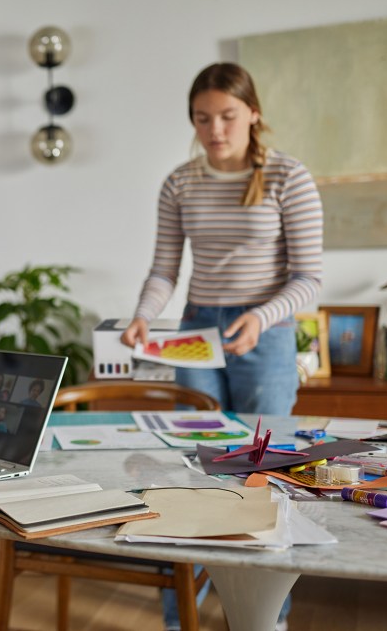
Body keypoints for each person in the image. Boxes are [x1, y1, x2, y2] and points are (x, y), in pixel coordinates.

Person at [121, 62, 322, 631]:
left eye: (228, 116)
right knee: (192, 469)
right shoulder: (180, 183)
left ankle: (268, 615)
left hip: (267, 334)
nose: (216, 130)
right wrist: (142, 317)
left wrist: (261, 316)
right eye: (203, 118)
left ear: (252, 113)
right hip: (197, 333)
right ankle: (180, 613)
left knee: (261, 474)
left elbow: (309, 276)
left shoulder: (288, 176)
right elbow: (164, 269)